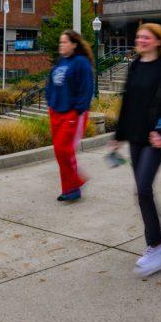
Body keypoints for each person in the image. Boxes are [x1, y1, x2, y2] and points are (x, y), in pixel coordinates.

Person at [109, 23, 161, 278]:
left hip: (155, 138)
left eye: (146, 37)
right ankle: (159, 239)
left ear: (158, 41)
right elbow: (127, 103)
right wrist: (117, 136)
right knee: (141, 191)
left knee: (143, 187)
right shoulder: (135, 65)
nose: (141, 40)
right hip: (136, 137)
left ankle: (156, 246)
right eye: (139, 37)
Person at [46, 29, 95, 202]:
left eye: (65, 42)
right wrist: (50, 102)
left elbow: (87, 88)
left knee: (64, 149)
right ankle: (71, 187)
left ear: (74, 44)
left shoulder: (80, 62)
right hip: (56, 112)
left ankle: (73, 186)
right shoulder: (61, 62)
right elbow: (50, 84)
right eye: (60, 42)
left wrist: (79, 109)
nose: (61, 45)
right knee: (60, 152)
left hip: (71, 113)